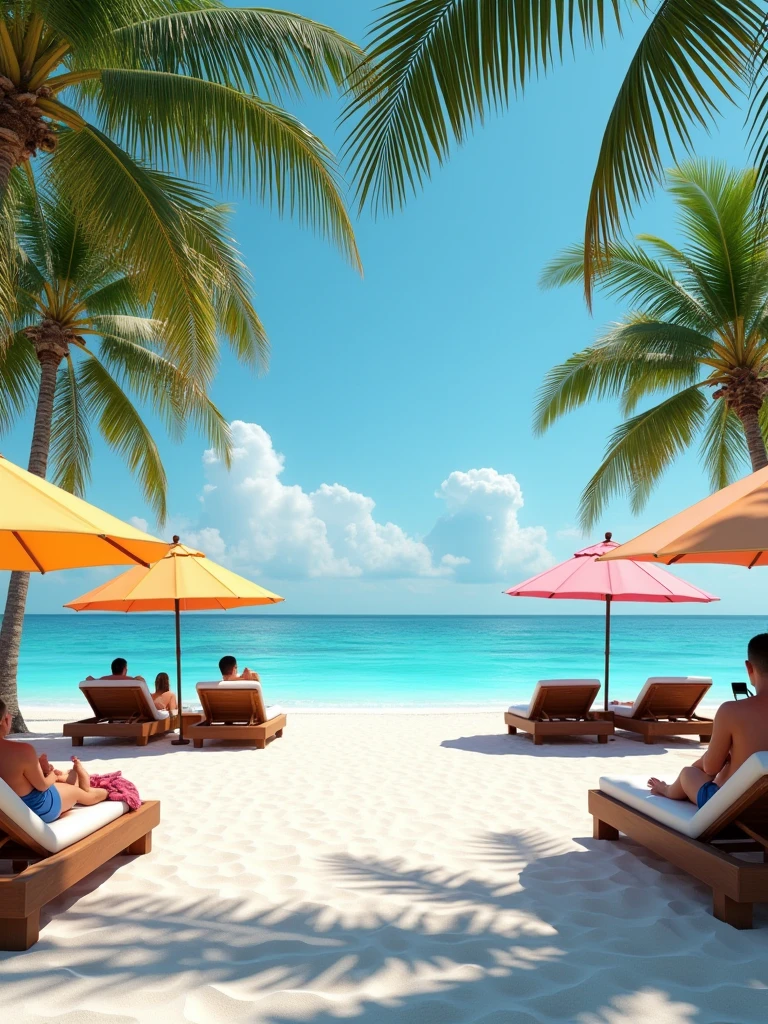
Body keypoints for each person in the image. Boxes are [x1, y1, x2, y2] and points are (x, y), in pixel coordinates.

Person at [647, 633, 768, 808]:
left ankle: (665, 789)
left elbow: (710, 768)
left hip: (734, 808)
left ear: (749, 668)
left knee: (688, 773)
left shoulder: (731, 712)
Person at [0, 699, 107, 822]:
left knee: (63, 784)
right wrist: (53, 775)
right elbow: (42, 786)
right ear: (4, 720)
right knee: (84, 794)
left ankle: (72, 779)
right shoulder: (22, 750)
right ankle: (106, 792)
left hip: (6, 814)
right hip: (36, 809)